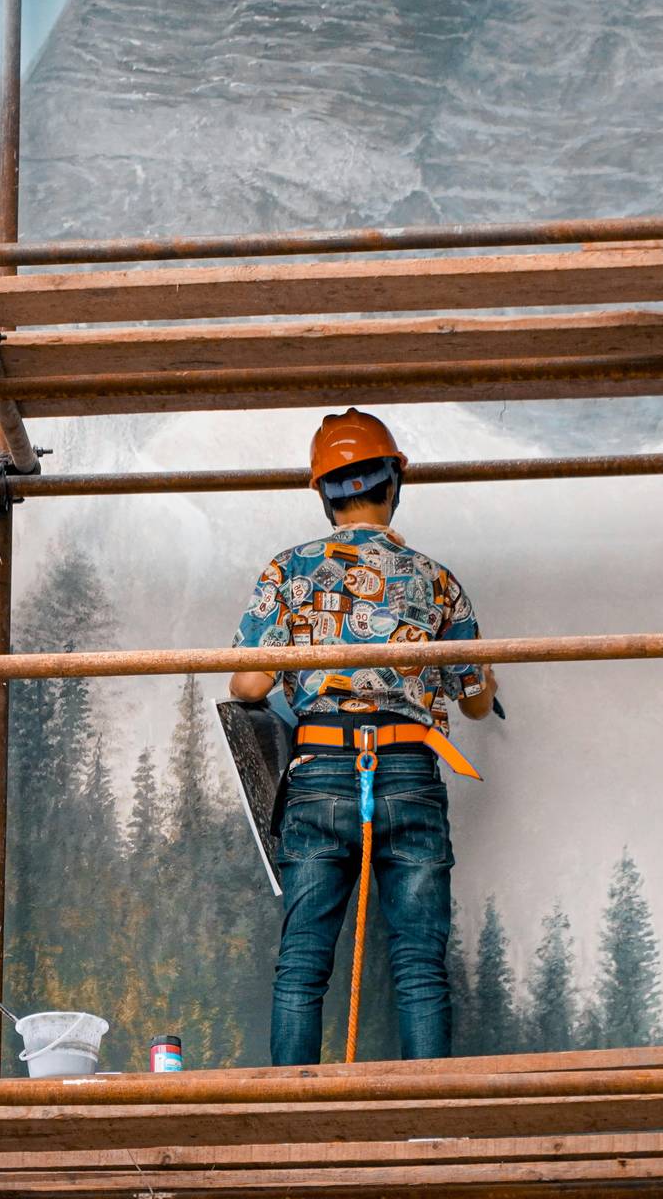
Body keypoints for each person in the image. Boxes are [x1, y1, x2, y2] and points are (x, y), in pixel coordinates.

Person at [229, 408, 497, 1065]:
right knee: (420, 971)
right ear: (392, 485)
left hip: (321, 771)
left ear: (325, 494)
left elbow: (248, 688)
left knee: (301, 969)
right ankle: (429, 1135)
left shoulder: (288, 572)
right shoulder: (436, 579)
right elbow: (478, 704)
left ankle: (291, 1132)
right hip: (408, 771)